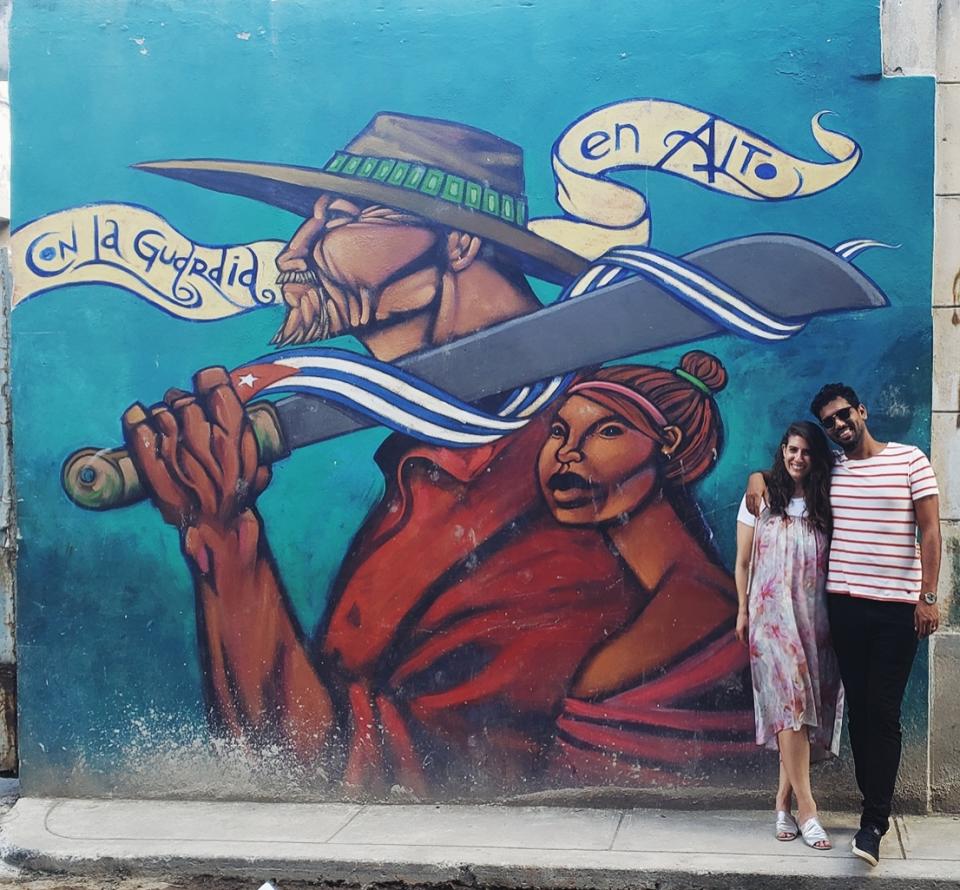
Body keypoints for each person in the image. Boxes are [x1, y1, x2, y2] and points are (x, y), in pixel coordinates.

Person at [122, 114, 757, 794]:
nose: (293, 252)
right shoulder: (439, 460)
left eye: (339, 217)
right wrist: (220, 534)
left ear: (457, 241)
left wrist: (228, 541)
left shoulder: (563, 488)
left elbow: (329, 773)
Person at [746, 383, 941, 866]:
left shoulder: (911, 460)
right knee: (855, 714)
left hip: (897, 609)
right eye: (829, 422)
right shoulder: (832, 473)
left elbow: (932, 530)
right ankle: (826, 810)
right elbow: (787, 474)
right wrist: (755, 477)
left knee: (883, 713)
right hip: (844, 611)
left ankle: (874, 821)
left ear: (861, 411)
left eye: (842, 415)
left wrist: (929, 597)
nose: (838, 425)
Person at [734, 421, 842, 851]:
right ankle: (808, 809)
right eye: (791, 449)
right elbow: (742, 562)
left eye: (806, 452)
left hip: (814, 621)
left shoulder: (824, 503)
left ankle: (781, 801)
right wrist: (742, 609)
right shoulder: (759, 499)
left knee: (799, 713)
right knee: (791, 704)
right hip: (769, 622)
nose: (797, 458)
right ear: (782, 450)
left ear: (816, 459)